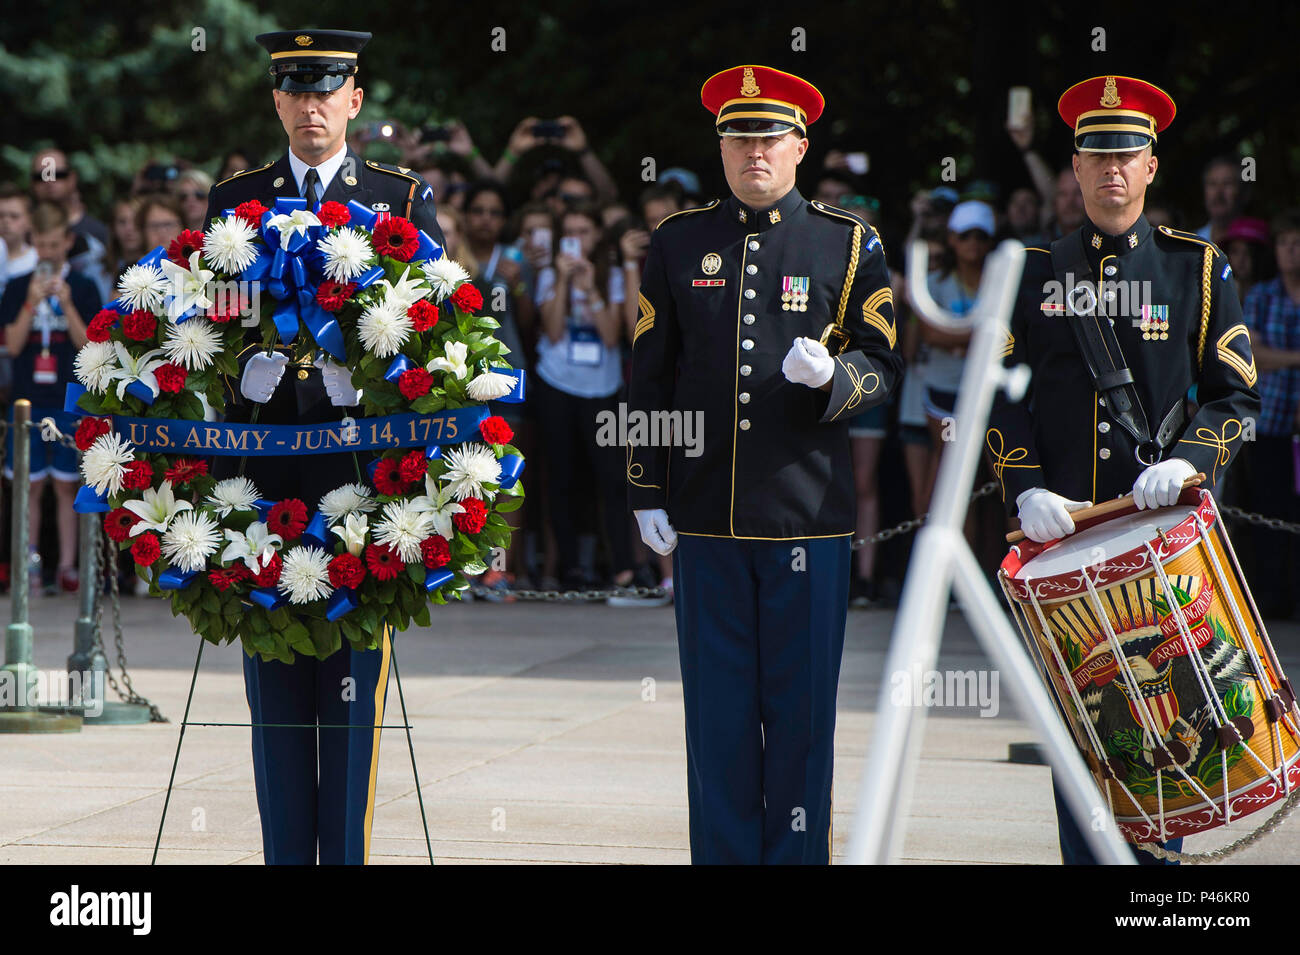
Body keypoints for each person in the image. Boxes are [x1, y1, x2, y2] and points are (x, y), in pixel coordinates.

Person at [628, 65, 901, 864]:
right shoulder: (679, 242)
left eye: (771, 136)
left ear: (800, 146)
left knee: (802, 719)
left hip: (806, 519)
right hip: (706, 515)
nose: (756, 150)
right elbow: (652, 374)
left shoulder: (846, 244)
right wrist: (648, 485)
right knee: (716, 719)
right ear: (720, 146)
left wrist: (834, 380)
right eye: (740, 135)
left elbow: (885, 367)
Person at [987, 75, 1260, 865]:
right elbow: (999, 402)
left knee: (1163, 721)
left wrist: (1187, 463)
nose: (1113, 168)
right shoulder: (1033, 274)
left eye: (1128, 153)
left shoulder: (1195, 270)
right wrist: (1024, 482)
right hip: (1064, 537)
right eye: (1097, 154)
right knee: (1082, 725)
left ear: (1150, 166)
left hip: (1157, 540)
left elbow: (1237, 398)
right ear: (1073, 167)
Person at [202, 27, 445, 866]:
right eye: (295, 90)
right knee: (273, 692)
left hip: (360, 476)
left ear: (355, 100)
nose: (311, 106)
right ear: (276, 100)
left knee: (350, 699)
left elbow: (438, 337)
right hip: (265, 476)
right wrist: (248, 369)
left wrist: (369, 382)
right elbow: (210, 322)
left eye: (327, 90)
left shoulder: (398, 200)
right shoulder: (236, 199)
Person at [0, 202, 98, 594]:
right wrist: (30, 302)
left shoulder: (85, 286)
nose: (47, 252)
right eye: (40, 244)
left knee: (65, 485)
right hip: (28, 401)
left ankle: (68, 566)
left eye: (54, 244)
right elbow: (13, 343)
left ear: (67, 242)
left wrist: (68, 302)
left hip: (69, 401)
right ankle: (31, 561)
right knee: (29, 485)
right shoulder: (19, 286)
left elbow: (90, 344)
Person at [1239, 210, 1300, 618]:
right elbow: (1253, 355)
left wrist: (1285, 360)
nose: (1291, 252)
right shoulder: (1261, 295)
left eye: (1297, 243)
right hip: (1268, 427)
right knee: (1267, 517)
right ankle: (1271, 603)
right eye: (1284, 243)